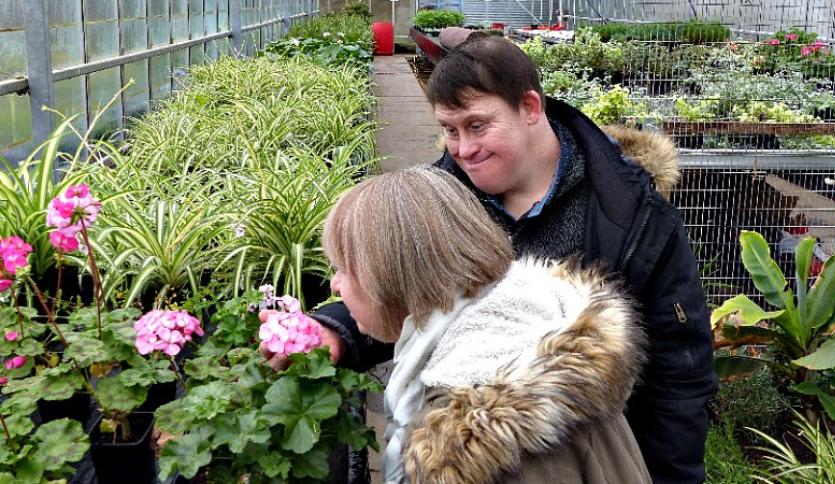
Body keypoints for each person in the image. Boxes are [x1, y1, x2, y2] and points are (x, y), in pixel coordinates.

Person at [264, 34, 718, 483]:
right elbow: (410, 287)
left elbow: (679, 375)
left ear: (530, 108)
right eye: (449, 129)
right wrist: (337, 330)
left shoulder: (629, 212)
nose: (463, 149)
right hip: (476, 447)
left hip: (581, 453)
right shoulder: (445, 194)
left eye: (478, 125)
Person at [322, 168, 651, 484]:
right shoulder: (529, 329)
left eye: (343, 270)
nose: (335, 285)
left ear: (389, 279)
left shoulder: (492, 435)